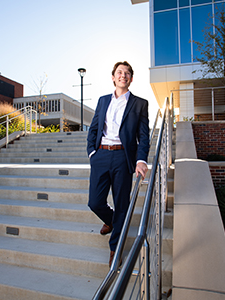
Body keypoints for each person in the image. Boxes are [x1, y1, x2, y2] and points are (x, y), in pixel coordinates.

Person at [87, 61, 150, 267]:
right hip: (101, 156)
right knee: (95, 202)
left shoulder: (140, 103)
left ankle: (115, 248)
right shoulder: (103, 100)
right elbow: (94, 128)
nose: (123, 75)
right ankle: (112, 220)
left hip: (123, 157)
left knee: (122, 204)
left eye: (127, 73)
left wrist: (140, 160)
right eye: (119, 72)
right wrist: (92, 153)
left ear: (131, 78)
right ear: (113, 77)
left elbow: (143, 135)